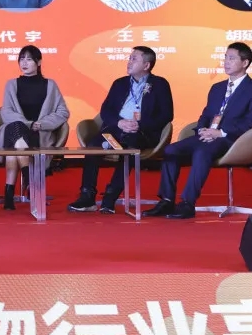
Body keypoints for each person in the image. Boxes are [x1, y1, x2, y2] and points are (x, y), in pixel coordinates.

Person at [144, 42, 252, 219]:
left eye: (231, 58)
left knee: (202, 152)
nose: (226, 62)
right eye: (225, 57)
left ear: (245, 63)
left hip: (234, 140)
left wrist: (221, 132)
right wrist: (202, 129)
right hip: (207, 136)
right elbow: (206, 114)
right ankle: (166, 200)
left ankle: (187, 203)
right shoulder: (217, 88)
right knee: (171, 150)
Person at [68, 46, 173, 213]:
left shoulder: (160, 84)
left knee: (129, 148)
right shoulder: (120, 83)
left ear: (146, 65)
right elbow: (105, 110)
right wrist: (119, 123)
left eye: (134, 59)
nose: (129, 62)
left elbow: (166, 115)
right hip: (116, 128)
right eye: (129, 58)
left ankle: (111, 196)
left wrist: (140, 124)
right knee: (93, 146)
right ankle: (87, 196)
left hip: (142, 132)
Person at [0, 45, 69, 210]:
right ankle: (29, 180)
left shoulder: (50, 85)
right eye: (21, 59)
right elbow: (6, 112)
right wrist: (28, 124)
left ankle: (9, 192)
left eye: (29, 59)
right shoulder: (11, 84)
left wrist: (42, 124)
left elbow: (63, 112)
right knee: (17, 129)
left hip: (39, 133)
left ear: (39, 62)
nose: (24, 63)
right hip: (17, 130)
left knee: (15, 148)